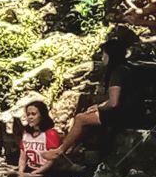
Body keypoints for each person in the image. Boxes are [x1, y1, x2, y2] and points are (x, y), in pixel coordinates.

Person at [42, 38, 132, 169]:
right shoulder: (126, 69)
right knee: (88, 115)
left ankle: (60, 150)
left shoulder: (117, 73)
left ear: (110, 55)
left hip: (124, 116)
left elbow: (113, 103)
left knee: (80, 119)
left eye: (104, 54)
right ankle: (71, 149)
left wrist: (99, 107)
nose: (102, 57)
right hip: (130, 112)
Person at [17, 99, 61, 177]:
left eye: (33, 114)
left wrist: (35, 174)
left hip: (47, 172)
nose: (30, 117)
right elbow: (23, 157)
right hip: (30, 170)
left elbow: (51, 160)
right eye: (28, 114)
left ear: (42, 115)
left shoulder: (51, 134)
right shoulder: (26, 134)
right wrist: (21, 173)